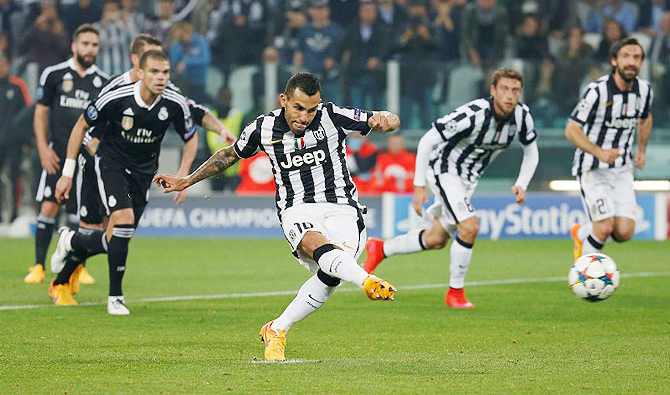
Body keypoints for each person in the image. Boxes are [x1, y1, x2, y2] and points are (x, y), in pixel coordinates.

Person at [153, 72, 399, 361]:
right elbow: (230, 155)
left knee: (332, 274)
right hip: (296, 208)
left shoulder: (332, 115)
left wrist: (387, 119)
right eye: (298, 108)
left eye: (311, 110)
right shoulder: (262, 127)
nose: (304, 117)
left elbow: (383, 118)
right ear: (284, 100)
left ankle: (277, 328)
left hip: (343, 206)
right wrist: (187, 180)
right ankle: (366, 281)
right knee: (316, 244)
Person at [47, 34, 235, 305]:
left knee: (120, 236)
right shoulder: (115, 89)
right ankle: (81, 287)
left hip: (140, 170)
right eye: (153, 66)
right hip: (101, 163)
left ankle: (65, 264)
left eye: (164, 68)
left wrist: (218, 130)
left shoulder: (167, 94)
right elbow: (88, 126)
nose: (160, 75)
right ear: (138, 63)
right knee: (105, 226)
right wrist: (74, 168)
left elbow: (193, 113)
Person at [364, 68, 539, 309]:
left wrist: (522, 183)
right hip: (444, 169)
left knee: (436, 238)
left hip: (467, 179)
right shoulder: (473, 115)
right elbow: (428, 139)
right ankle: (455, 293)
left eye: (515, 90)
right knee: (469, 227)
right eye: (504, 89)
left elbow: (531, 150)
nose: (510, 95)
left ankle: (381, 248)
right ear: (493, 91)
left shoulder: (522, 116)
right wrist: (419, 184)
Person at [24, 24, 109, 285]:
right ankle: (38, 265)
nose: (89, 49)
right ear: (74, 45)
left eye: (94, 45)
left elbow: (105, 123)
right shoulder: (54, 74)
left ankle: (78, 267)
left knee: (80, 213)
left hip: (85, 159)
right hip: (56, 153)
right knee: (49, 206)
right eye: (85, 43)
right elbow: (41, 112)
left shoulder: (103, 82)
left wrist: (97, 145)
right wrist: (42, 147)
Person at [566, 38, 653, 260]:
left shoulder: (644, 91)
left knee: (624, 232)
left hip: (623, 170)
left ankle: (582, 233)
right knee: (604, 227)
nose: (631, 62)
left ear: (641, 63)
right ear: (614, 61)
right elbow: (571, 129)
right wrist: (598, 151)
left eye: (636, 57)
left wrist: (641, 149)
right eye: (626, 56)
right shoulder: (597, 91)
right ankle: (583, 276)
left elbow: (645, 118)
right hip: (593, 168)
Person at [0, 53, 32, 223]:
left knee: (14, 177)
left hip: (13, 142)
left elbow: (27, 113)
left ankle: (14, 213)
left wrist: (26, 140)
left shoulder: (17, 85)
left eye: (3, 64)